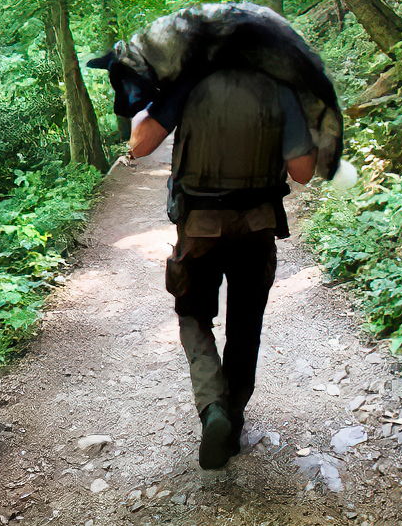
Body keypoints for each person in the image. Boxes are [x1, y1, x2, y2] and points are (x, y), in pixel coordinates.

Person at [128, 67, 317, 470]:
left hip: (199, 227)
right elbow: (303, 172)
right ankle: (232, 418)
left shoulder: (187, 84)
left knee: (192, 313)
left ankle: (213, 406)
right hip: (258, 225)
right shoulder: (280, 88)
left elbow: (141, 146)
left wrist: (142, 105)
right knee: (245, 326)